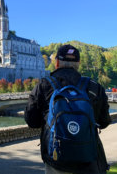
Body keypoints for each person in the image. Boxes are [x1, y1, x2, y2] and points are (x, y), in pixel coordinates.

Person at [25, 44, 111, 174]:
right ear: (78, 63)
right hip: (88, 158)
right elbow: (104, 122)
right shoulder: (94, 87)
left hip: (56, 160)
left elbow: (32, 121)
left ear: (57, 62)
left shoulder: (44, 85)